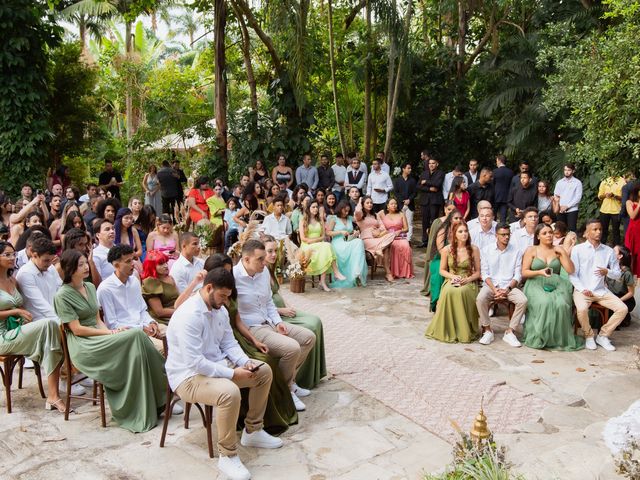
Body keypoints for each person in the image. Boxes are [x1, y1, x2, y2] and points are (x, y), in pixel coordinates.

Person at [167, 267, 282, 480]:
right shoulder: (189, 314)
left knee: (263, 371)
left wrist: (245, 362)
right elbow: (195, 362)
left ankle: (253, 431)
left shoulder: (219, 308)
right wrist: (231, 374)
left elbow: (229, 342)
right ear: (208, 287)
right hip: (188, 376)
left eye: (229, 297)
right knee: (229, 392)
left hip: (216, 366)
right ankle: (227, 455)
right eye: (222, 296)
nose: (226, 302)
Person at [54, 249, 167, 432]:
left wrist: (110, 333)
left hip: (100, 334)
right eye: (80, 265)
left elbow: (98, 319)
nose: (86, 267)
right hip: (83, 343)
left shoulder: (89, 287)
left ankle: (154, 396)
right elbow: (77, 329)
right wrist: (110, 334)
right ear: (70, 269)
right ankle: (157, 391)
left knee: (134, 341)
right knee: (135, 335)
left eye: (85, 263)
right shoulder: (62, 295)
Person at [233, 240, 316, 411]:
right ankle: (285, 391)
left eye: (265, 258)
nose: (265, 262)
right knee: (292, 348)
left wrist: (278, 322)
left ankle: (288, 383)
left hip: (270, 322)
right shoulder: (233, 277)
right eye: (260, 259)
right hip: (253, 328)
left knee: (308, 337)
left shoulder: (263, 273)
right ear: (246, 259)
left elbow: (269, 302)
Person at [0, 241, 66, 412]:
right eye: (6, 254)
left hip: (16, 329)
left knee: (50, 334)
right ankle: (58, 388)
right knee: (49, 325)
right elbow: (17, 309)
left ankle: (54, 395)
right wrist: (15, 311)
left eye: (13, 254)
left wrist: (21, 314)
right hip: (2, 335)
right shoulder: (23, 275)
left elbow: (21, 305)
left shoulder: (12, 280)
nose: (12, 257)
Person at [262, 237, 327, 390]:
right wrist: (281, 310)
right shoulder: (260, 271)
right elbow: (261, 305)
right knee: (310, 327)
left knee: (316, 320)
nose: (273, 255)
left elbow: (276, 293)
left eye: (274, 251)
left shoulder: (269, 269)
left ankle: (313, 375)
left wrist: (287, 304)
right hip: (275, 315)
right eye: (269, 251)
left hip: (283, 309)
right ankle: (295, 378)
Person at [519, 224, 583, 350]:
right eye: (544, 233)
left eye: (550, 232)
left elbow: (570, 270)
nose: (549, 235)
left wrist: (564, 253)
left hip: (556, 283)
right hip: (535, 282)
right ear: (538, 236)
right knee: (545, 302)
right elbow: (524, 272)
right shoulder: (531, 250)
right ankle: (541, 336)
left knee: (561, 304)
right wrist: (539, 272)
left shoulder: (558, 250)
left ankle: (558, 338)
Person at [570, 219, 628, 351]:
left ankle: (603, 335)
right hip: (582, 290)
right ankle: (589, 336)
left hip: (601, 290)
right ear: (586, 232)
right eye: (595, 229)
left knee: (622, 308)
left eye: (600, 229)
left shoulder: (608, 251)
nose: (598, 232)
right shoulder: (577, 250)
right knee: (582, 309)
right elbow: (573, 274)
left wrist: (608, 271)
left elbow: (618, 274)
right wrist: (582, 289)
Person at [97, 244, 166, 352]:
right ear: (116, 265)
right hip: (128, 335)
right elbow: (112, 324)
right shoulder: (105, 289)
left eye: (133, 260)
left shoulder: (134, 280)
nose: (133, 264)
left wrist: (151, 322)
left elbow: (142, 310)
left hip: (144, 326)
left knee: (176, 335)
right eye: (128, 261)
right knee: (164, 348)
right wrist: (141, 329)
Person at [425, 222, 480, 343]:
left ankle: (463, 330)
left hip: (468, 280)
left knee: (462, 291)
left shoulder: (474, 249)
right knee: (449, 291)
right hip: (452, 279)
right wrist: (453, 277)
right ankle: (449, 328)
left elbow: (478, 272)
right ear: (454, 234)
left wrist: (468, 279)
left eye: (466, 231)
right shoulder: (446, 250)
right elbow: (442, 270)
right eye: (460, 231)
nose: (464, 234)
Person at [476, 224, 527, 347]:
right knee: (480, 299)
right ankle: (487, 330)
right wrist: (494, 290)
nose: (506, 237)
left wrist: (507, 289)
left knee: (523, 300)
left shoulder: (516, 251)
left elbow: (517, 274)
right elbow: (484, 273)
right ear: (496, 236)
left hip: (509, 286)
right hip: (491, 285)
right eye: (503, 235)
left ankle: (510, 332)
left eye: (508, 234)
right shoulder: (486, 250)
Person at [299, 201, 346, 291]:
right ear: (308, 209)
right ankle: (334, 273)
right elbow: (303, 238)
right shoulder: (303, 221)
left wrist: (316, 240)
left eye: (316, 207)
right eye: (313, 207)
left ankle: (323, 281)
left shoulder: (320, 220)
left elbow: (323, 236)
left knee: (326, 247)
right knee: (326, 246)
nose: (315, 209)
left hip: (319, 244)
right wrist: (314, 241)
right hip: (307, 246)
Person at [15, 237, 62, 324]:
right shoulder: (25, 274)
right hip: (38, 321)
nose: (49, 264)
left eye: (51, 260)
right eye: (46, 260)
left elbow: (60, 290)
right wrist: (61, 321)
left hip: (57, 315)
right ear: (34, 255)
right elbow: (39, 303)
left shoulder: (51, 267)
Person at [429, 210, 464, 311]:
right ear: (450, 219)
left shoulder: (462, 230)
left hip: (457, 259)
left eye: (460, 218)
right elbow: (440, 250)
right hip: (441, 258)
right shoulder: (443, 230)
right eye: (456, 218)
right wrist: (451, 261)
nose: (458, 220)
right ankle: (437, 303)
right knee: (440, 274)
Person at [326, 200, 367, 288]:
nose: (347, 212)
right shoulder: (334, 218)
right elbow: (328, 232)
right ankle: (350, 274)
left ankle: (356, 272)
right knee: (355, 245)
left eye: (348, 210)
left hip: (348, 240)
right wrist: (340, 232)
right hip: (338, 242)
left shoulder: (349, 218)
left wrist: (355, 233)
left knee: (359, 242)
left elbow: (351, 231)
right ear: (340, 209)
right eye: (345, 210)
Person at [355, 196, 396, 282]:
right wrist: (359, 201)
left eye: (371, 203)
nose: (370, 204)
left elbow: (383, 228)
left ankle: (380, 249)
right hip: (366, 239)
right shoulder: (360, 216)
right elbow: (358, 211)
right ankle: (388, 273)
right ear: (363, 204)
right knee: (387, 248)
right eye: (367, 203)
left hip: (377, 237)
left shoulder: (375, 215)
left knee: (392, 234)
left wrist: (378, 232)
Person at [421, 202, 456, 297]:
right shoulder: (438, 222)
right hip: (438, 254)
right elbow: (436, 245)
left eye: (453, 210)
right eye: (449, 209)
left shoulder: (457, 222)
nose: (451, 212)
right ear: (444, 210)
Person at [141, 250, 181, 324]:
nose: (166, 266)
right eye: (161, 264)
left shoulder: (170, 277)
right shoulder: (150, 282)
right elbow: (160, 312)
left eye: (166, 262)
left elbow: (178, 298)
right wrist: (182, 312)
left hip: (177, 312)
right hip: (163, 319)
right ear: (152, 266)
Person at [379, 198, 414, 279]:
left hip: (400, 236)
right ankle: (392, 271)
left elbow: (406, 229)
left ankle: (404, 272)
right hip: (389, 237)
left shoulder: (401, 214)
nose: (394, 205)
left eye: (395, 204)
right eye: (391, 204)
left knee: (405, 246)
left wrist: (400, 231)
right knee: (392, 246)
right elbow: (375, 220)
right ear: (387, 206)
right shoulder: (382, 214)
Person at [418, 157, 445, 247]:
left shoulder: (440, 173)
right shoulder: (424, 173)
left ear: (437, 164)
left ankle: (433, 241)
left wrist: (425, 182)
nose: (431, 165)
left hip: (435, 201)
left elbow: (437, 184)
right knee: (424, 221)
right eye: (430, 163)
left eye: (433, 163)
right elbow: (419, 186)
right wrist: (429, 188)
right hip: (425, 200)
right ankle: (425, 241)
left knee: (434, 221)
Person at [607, 245, 635, 328]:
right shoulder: (609, 269)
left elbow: (631, 293)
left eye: (614, 251)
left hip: (624, 299)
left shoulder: (627, 273)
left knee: (613, 323)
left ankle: (625, 317)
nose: (611, 253)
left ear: (620, 256)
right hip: (612, 297)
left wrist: (618, 301)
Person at [553, 163, 582, 232]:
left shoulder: (577, 183)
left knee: (572, 230)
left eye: (569, 170)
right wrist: (559, 206)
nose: (566, 172)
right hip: (560, 210)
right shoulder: (559, 182)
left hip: (572, 210)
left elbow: (578, 197)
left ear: (573, 171)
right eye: (565, 170)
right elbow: (556, 195)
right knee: (561, 230)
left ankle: (572, 243)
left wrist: (567, 206)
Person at [393, 161, 417, 242]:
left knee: (409, 223)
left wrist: (409, 199)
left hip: (410, 205)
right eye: (408, 168)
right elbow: (396, 192)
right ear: (403, 169)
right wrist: (403, 200)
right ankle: (400, 238)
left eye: (410, 168)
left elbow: (415, 192)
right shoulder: (397, 180)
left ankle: (408, 240)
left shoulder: (413, 180)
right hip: (400, 205)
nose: (410, 170)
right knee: (400, 223)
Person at [624, 182, 640, 277]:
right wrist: (639, 205)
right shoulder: (629, 202)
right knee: (631, 254)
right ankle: (629, 277)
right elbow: (632, 216)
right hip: (633, 232)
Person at [492, 155, 514, 223]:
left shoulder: (495, 171)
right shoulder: (510, 172)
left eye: (496, 161)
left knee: (493, 215)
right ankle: (503, 230)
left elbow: (492, 184)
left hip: (495, 196)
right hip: (506, 197)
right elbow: (512, 185)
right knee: (503, 216)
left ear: (499, 160)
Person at [620, 173, 637, 237]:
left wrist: (622, 214)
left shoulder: (626, 187)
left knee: (628, 235)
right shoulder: (637, 184)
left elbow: (624, 203)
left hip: (629, 213)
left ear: (624, 177)